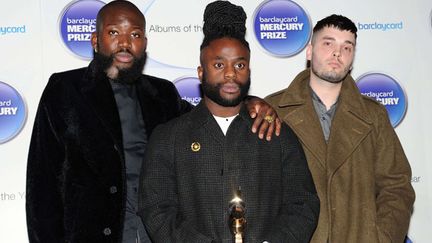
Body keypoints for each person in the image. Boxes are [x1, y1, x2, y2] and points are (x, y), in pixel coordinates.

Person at [25, 1, 280, 242]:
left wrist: (250, 102)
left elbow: (209, 116)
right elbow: (42, 188)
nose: (125, 43)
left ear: (144, 43)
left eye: (135, 35)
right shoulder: (65, 90)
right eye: (114, 33)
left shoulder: (163, 94)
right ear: (95, 40)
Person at [138, 1, 320, 243]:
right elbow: (156, 209)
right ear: (201, 72)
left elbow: (303, 204)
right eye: (219, 65)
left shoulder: (276, 133)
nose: (231, 73)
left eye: (240, 65)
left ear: (249, 71)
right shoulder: (169, 138)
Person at [266, 14, 415, 243]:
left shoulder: (373, 115)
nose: (338, 53)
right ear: (309, 51)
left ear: (353, 58)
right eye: (328, 43)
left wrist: (381, 238)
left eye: (347, 47)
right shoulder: (273, 110)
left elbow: (396, 186)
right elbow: (257, 187)